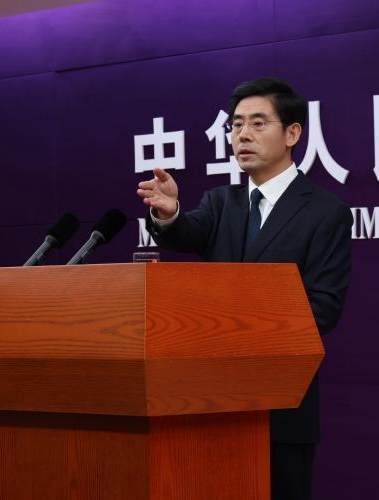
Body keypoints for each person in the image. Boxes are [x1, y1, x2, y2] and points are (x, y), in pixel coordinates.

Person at [136, 77, 352, 500]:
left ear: (292, 134)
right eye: (236, 125)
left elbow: (324, 308)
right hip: (211, 404)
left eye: (257, 123)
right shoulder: (221, 202)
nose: (243, 135)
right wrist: (169, 213)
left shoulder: (326, 212)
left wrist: (236, 326)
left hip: (281, 407)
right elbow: (186, 233)